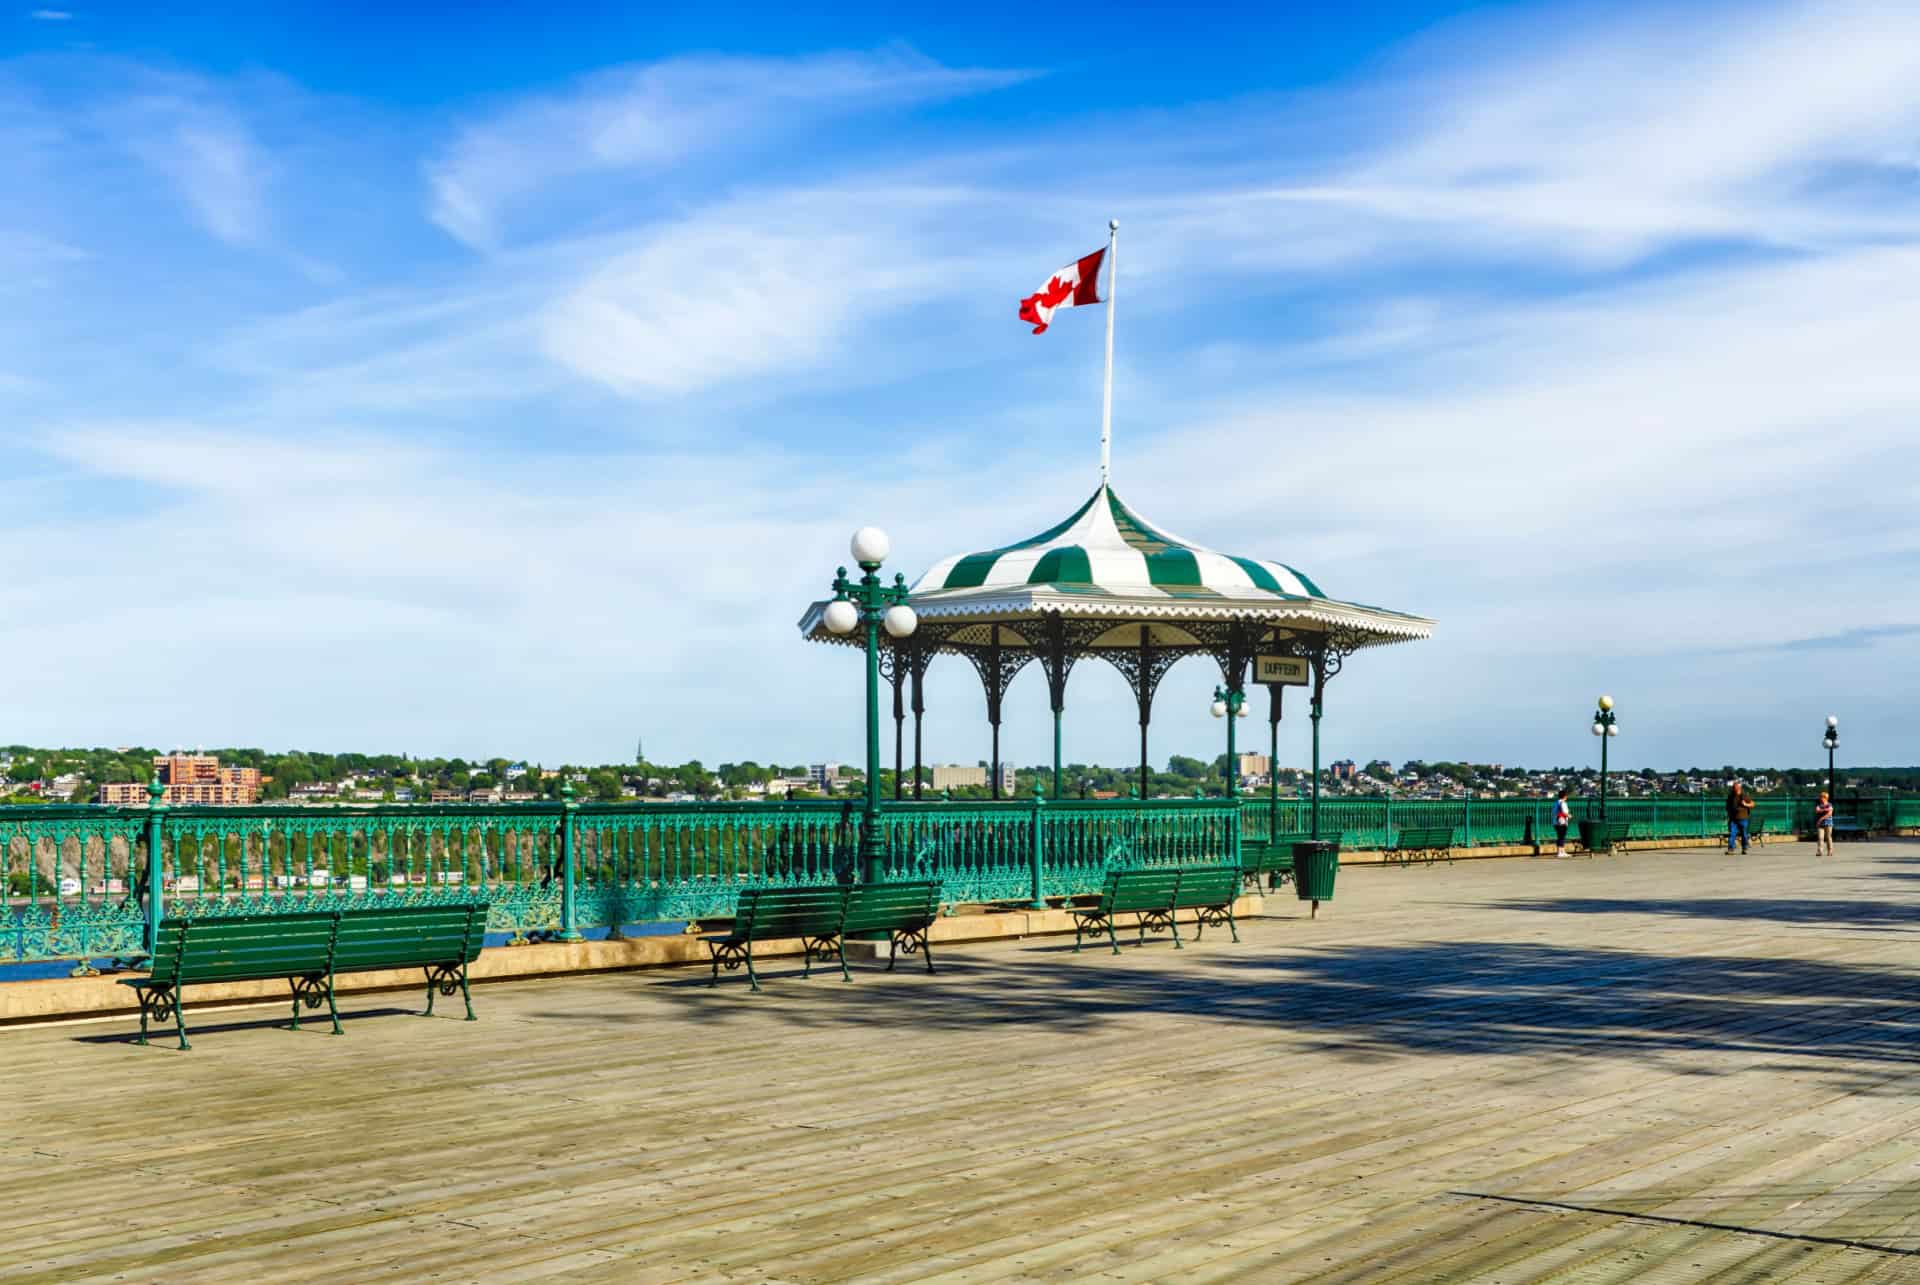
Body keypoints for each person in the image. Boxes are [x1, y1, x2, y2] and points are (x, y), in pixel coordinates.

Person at [1726, 781, 1754, 854]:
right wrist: (1728, 815)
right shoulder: (1731, 796)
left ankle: (1744, 848)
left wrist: (1745, 804)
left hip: (1743, 818)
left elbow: (1752, 804)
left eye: (1736, 788)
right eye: (1734, 788)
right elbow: (1727, 806)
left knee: (1744, 834)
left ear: (1739, 788)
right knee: (1732, 833)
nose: (1735, 790)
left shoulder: (1744, 795)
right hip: (1733, 819)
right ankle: (1730, 849)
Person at [1813, 790, 1834, 857]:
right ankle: (1820, 851)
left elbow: (1829, 813)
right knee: (1820, 837)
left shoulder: (1829, 804)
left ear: (1825, 798)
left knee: (1828, 837)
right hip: (1820, 824)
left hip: (1828, 823)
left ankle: (1830, 851)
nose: (1820, 798)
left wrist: (1821, 818)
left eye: (1821, 797)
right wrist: (1825, 810)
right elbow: (1817, 810)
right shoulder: (1818, 805)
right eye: (1820, 797)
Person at [1552, 788, 1572, 858]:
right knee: (1561, 837)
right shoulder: (1563, 803)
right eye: (1566, 795)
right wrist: (1569, 816)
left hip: (1555, 822)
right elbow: (1564, 812)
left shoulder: (1556, 802)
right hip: (1561, 822)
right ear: (1565, 796)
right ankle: (1560, 852)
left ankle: (1562, 851)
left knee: (1560, 837)